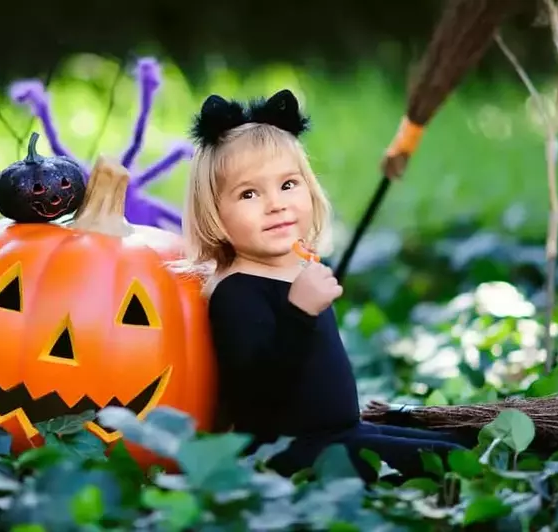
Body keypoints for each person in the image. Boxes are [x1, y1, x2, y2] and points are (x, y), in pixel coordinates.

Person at [175, 88, 471, 483]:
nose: (275, 204)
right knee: (450, 462)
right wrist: (299, 312)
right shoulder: (237, 293)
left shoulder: (301, 268)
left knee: (460, 444)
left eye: (288, 185)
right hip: (290, 452)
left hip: (340, 433)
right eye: (249, 193)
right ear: (215, 214)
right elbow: (259, 397)